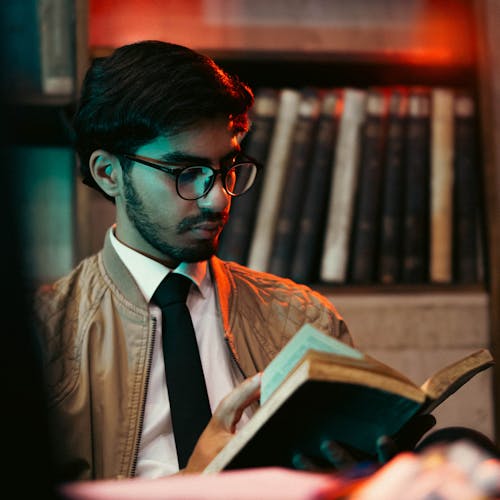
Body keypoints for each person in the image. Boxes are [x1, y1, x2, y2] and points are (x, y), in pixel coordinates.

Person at [31, 40, 353, 483]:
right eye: (185, 173)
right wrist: (195, 482)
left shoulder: (304, 320)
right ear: (108, 173)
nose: (218, 197)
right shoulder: (41, 338)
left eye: (228, 168)